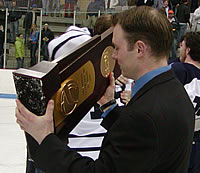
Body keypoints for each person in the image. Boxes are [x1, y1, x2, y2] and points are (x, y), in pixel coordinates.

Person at [16, 6, 195, 172]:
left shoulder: (144, 115)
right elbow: (141, 146)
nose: (114, 56)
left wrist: (45, 139)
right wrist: (109, 107)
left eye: (117, 48)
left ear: (139, 49)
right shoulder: (174, 91)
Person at [170, 32, 200, 173]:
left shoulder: (177, 69)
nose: (179, 50)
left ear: (188, 50)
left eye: (181, 46)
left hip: (178, 144)